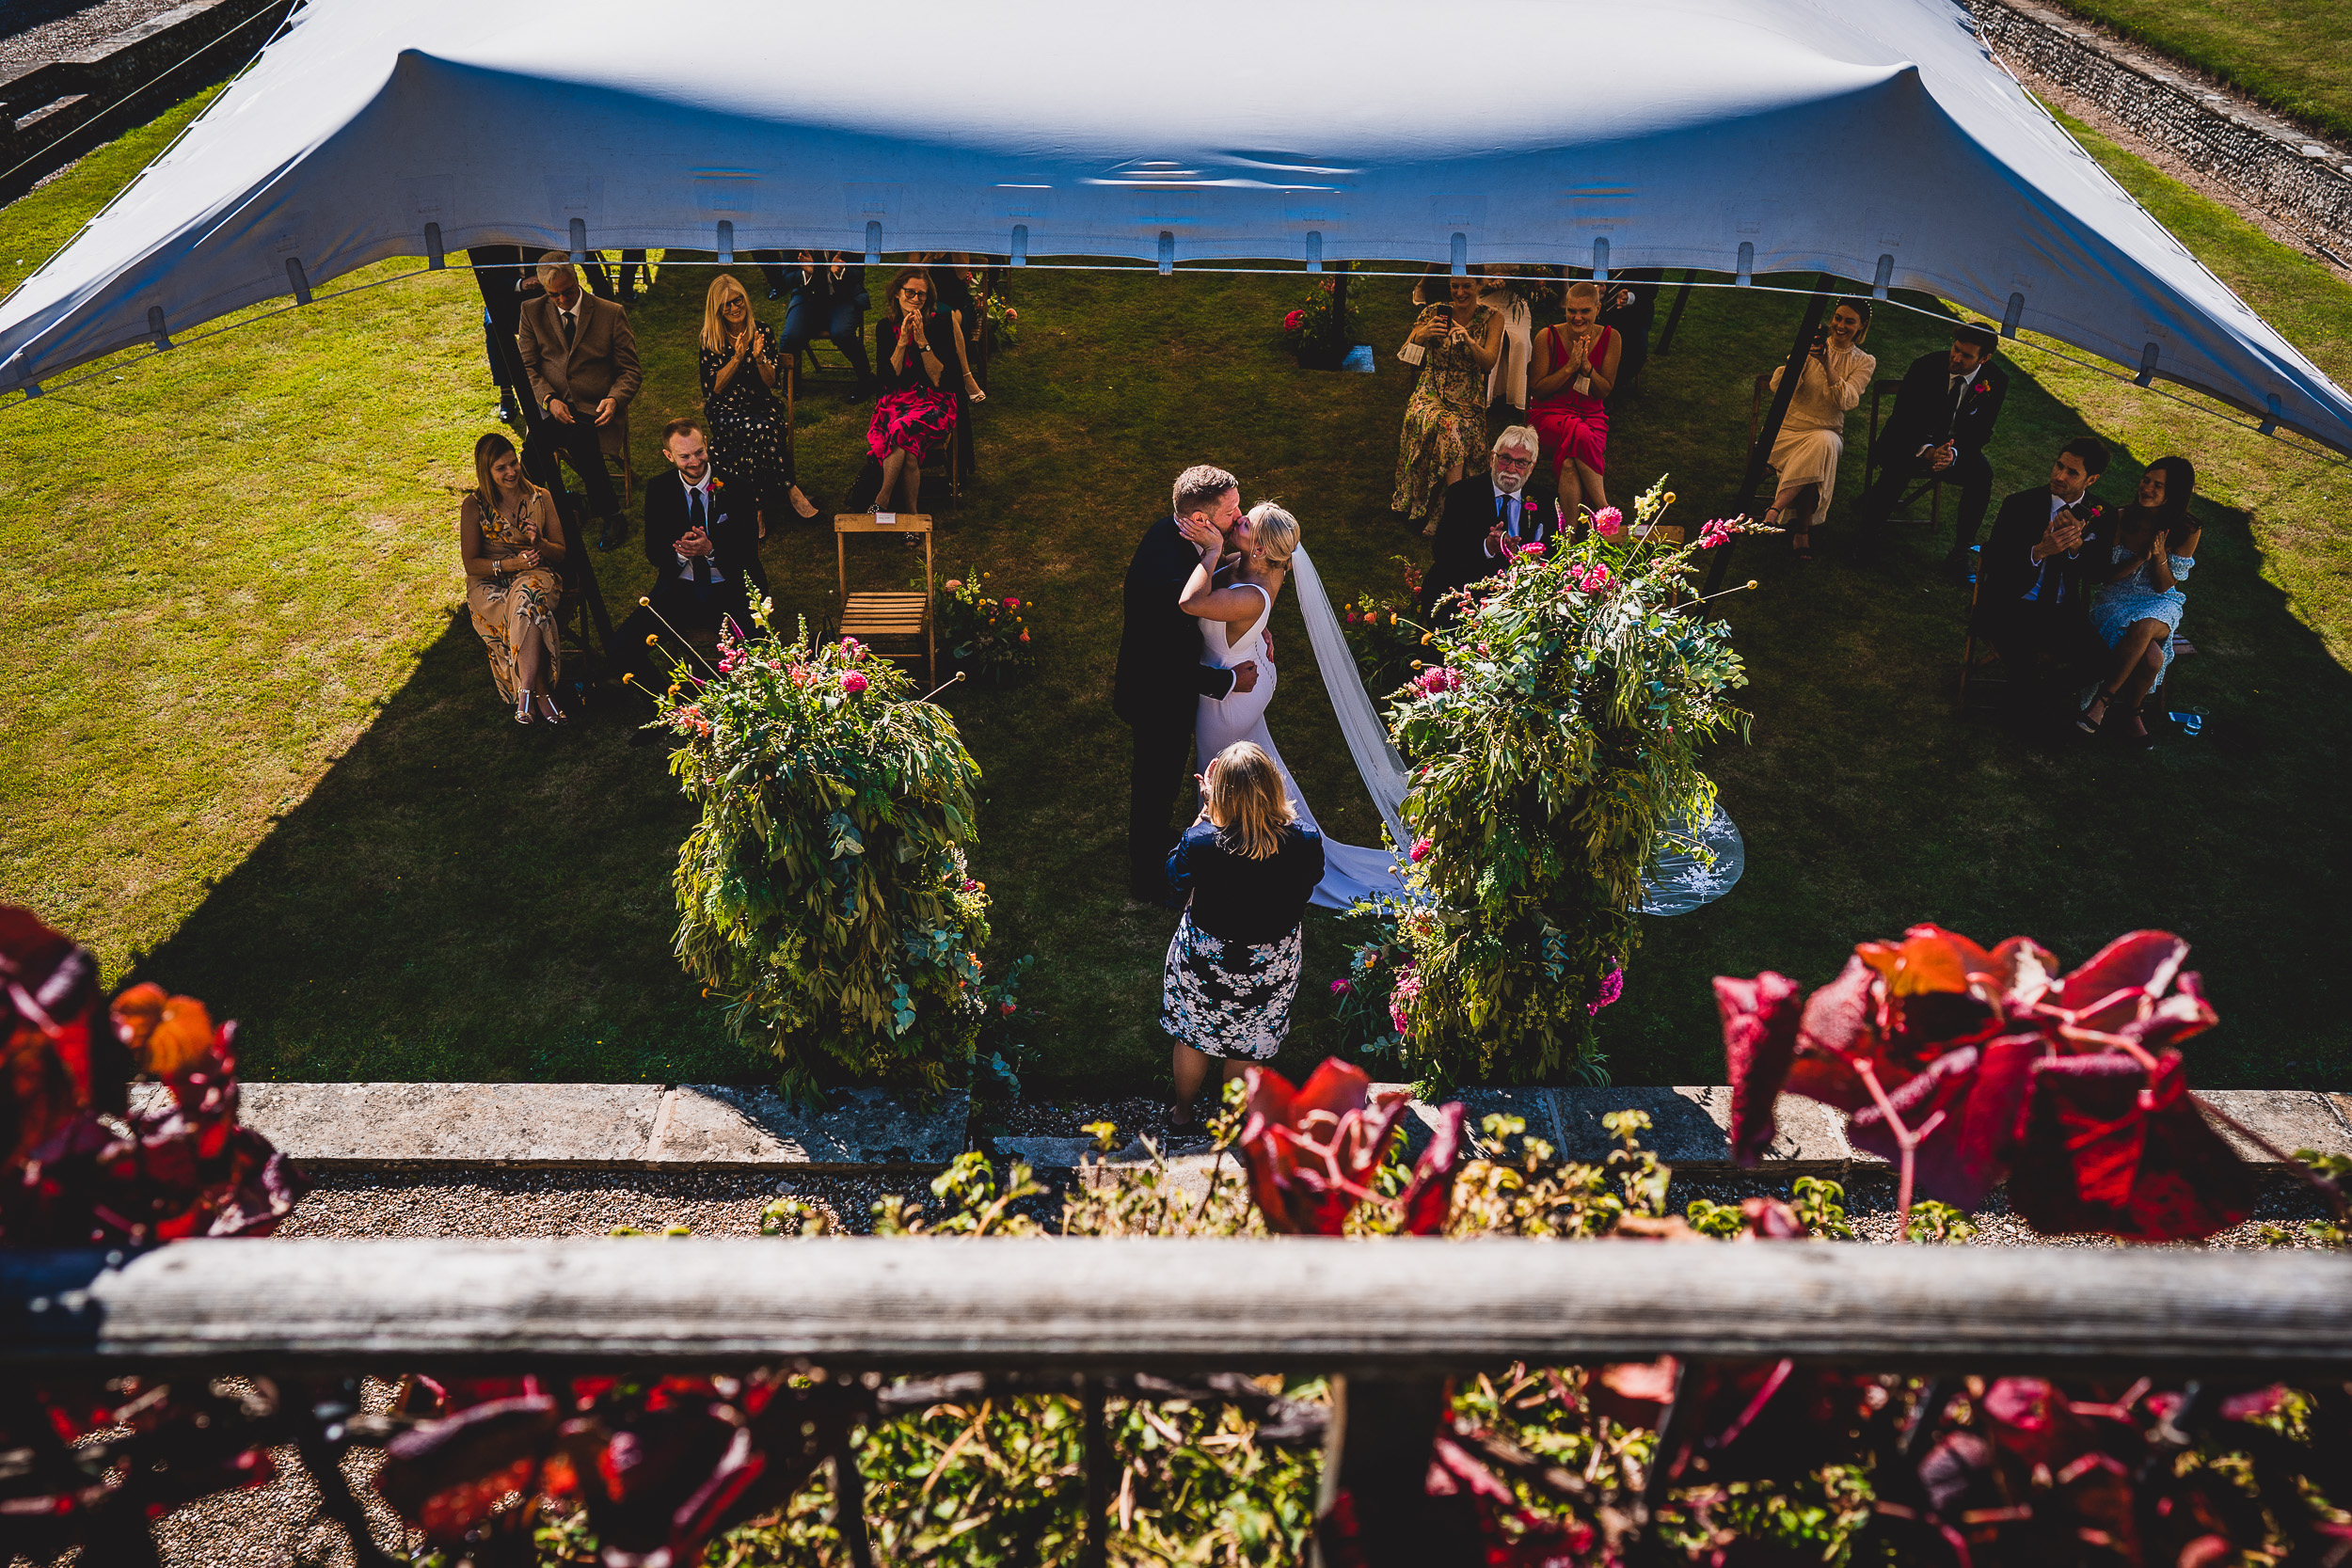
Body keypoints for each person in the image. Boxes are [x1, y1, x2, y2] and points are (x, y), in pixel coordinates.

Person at [1180, 501, 1406, 909]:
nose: (1238, 521)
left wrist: (1211, 552)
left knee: (1216, 776)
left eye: (1246, 524)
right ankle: (1272, 834)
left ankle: (1210, 865)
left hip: (1231, 699)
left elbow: (1191, 603)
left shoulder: (1251, 589)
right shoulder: (1257, 564)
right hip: (1251, 674)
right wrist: (1260, 631)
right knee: (1262, 769)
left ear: (1263, 551)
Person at [1161, 740, 1325, 1131]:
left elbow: (1173, 881)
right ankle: (1228, 1120)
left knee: (1193, 1036)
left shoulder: (1201, 842)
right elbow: (1310, 882)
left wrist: (1204, 815)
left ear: (1221, 794)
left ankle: (1182, 1114)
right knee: (1246, 1043)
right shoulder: (1304, 842)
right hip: (1272, 961)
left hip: (1207, 957)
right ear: (1273, 785)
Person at [1114, 466, 1257, 902]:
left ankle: (1158, 846)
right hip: (1156, 696)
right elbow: (1168, 663)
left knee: (1161, 780)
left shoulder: (1169, 531)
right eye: (1231, 510)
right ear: (1199, 519)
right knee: (1155, 786)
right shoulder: (1170, 579)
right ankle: (1147, 880)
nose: (1239, 515)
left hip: (1157, 678)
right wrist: (1229, 679)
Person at [614, 420, 764, 705]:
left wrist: (711, 550)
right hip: (680, 589)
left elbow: (748, 552)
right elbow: (654, 553)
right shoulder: (659, 489)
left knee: (758, 648)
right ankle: (671, 707)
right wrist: (682, 552)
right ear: (669, 456)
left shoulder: (738, 487)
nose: (695, 462)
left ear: (706, 443)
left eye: (699, 452)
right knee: (620, 647)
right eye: (685, 456)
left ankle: (748, 705)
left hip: (730, 585)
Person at [1853, 321, 2008, 573]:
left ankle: (1960, 552)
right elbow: (1903, 420)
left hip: (1953, 450)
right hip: (1909, 441)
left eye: (1966, 355)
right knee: (1897, 467)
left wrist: (1952, 455)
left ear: (1984, 358)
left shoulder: (1996, 381)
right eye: (1955, 349)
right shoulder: (1925, 367)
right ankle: (1867, 536)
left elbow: (1982, 431)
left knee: (1982, 475)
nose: (1956, 358)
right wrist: (1927, 451)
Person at [1972, 436, 2112, 712]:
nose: (2060, 476)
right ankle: (2035, 704)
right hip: (2011, 604)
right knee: (2024, 662)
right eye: (2059, 466)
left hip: (2061, 611)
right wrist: (2037, 552)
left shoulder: (2102, 515)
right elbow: (1992, 558)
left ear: (2091, 480)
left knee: (2101, 661)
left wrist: (2077, 548)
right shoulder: (2020, 504)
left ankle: (2043, 694)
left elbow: (2098, 573)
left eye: (2072, 472)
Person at [516, 252, 641, 551]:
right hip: (553, 407)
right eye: (553, 295)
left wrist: (614, 399)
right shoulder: (531, 311)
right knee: (541, 445)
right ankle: (597, 511)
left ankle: (600, 512)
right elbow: (527, 367)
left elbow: (630, 370)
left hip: (596, 408)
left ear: (576, 279)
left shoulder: (610, 313)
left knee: (574, 437)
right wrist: (548, 399)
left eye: (568, 292)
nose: (561, 300)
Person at [2078, 455, 2199, 747]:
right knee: (2153, 657)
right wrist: (2140, 559)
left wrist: (2158, 557)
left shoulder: (2188, 529)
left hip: (2160, 602)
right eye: (2146, 480)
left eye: (2159, 486)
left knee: (2144, 627)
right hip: (2116, 599)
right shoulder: (2120, 518)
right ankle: (2132, 713)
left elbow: (2165, 585)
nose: (2147, 488)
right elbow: (2106, 578)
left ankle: (2103, 701)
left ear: (2174, 493)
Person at [460, 432, 568, 724]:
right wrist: (510, 564)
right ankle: (542, 691)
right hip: (491, 580)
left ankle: (525, 693)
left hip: (536, 573)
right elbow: (471, 564)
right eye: (501, 468)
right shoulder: (474, 506)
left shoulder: (541, 497)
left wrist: (541, 544)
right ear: (487, 472)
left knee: (526, 600)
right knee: (525, 610)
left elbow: (560, 553)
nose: (511, 472)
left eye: (513, 463)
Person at [698, 274, 818, 535]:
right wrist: (739, 357)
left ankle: (757, 508)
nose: (733, 308)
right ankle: (790, 489)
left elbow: (772, 381)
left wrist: (760, 357)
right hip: (725, 410)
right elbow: (714, 388)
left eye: (737, 300)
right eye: (726, 305)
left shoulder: (761, 331)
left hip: (760, 404)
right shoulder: (710, 339)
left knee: (760, 431)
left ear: (745, 299)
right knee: (764, 431)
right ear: (717, 309)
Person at [1762, 297, 1877, 562]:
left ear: (1861, 326)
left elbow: (1846, 401)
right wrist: (1803, 357)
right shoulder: (1811, 344)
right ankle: (1801, 532)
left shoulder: (1864, 361)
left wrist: (1827, 365)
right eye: (1838, 318)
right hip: (1789, 430)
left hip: (1828, 431)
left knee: (1824, 443)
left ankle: (1774, 508)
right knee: (1819, 458)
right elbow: (1778, 386)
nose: (1841, 325)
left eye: (1850, 321)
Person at [1391, 275, 1503, 535]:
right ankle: (1455, 508)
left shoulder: (1493, 317)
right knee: (1448, 425)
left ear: (1479, 286)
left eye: (1467, 286)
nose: (1460, 292)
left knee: (1452, 426)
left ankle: (1447, 510)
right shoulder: (1432, 313)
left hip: (1468, 396)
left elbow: (1488, 363)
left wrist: (1470, 341)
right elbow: (1405, 357)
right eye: (1455, 286)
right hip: (1430, 391)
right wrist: (1421, 335)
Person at [1421, 426, 1554, 621]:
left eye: (1521, 463)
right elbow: (1443, 550)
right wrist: (1487, 547)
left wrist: (1525, 558)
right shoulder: (1463, 494)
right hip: (1467, 588)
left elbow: (1553, 552)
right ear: (1493, 458)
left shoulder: (1546, 501)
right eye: (1505, 459)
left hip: (1522, 596)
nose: (1511, 469)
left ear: (1532, 467)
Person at [867, 267, 959, 513]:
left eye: (922, 295)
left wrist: (921, 340)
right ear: (897, 293)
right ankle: (912, 515)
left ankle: (882, 499)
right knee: (907, 450)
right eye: (910, 293)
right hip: (897, 401)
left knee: (898, 428)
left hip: (934, 402)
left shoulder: (939, 325)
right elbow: (888, 377)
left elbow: (941, 379)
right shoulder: (884, 328)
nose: (916, 299)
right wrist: (902, 340)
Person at [1528, 280, 1621, 518]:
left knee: (1571, 464)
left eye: (1585, 311)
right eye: (1572, 311)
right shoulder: (1546, 337)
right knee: (1578, 432)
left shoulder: (1612, 338)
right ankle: (1603, 509)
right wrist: (1569, 368)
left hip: (1592, 417)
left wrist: (1588, 369)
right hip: (1549, 417)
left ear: (1598, 309)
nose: (1577, 317)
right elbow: (1537, 390)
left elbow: (1605, 391)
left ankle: (1568, 541)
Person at [777, 252, 877, 398]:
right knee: (791, 336)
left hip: (844, 296)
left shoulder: (850, 234)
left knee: (842, 333)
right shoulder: (796, 237)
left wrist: (842, 271)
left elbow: (859, 273)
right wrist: (805, 273)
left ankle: (866, 379)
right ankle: (791, 382)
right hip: (807, 297)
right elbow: (785, 278)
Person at [468, 245, 531, 423]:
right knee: (493, 325)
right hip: (506, 293)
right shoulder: (496, 235)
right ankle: (506, 393)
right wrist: (519, 284)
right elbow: (489, 274)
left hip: (543, 290)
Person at [1476, 266, 1536, 421]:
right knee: (1491, 338)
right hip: (1484, 297)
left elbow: (1534, 275)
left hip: (1514, 301)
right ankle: (1483, 397)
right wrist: (1486, 279)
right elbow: (1467, 271)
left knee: (1521, 341)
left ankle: (1519, 399)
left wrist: (1511, 278)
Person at [1597, 271, 1659, 403]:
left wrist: (1629, 297)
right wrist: (1595, 289)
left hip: (1633, 312)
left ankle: (1609, 390)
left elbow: (1652, 288)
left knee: (1635, 350)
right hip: (1598, 308)